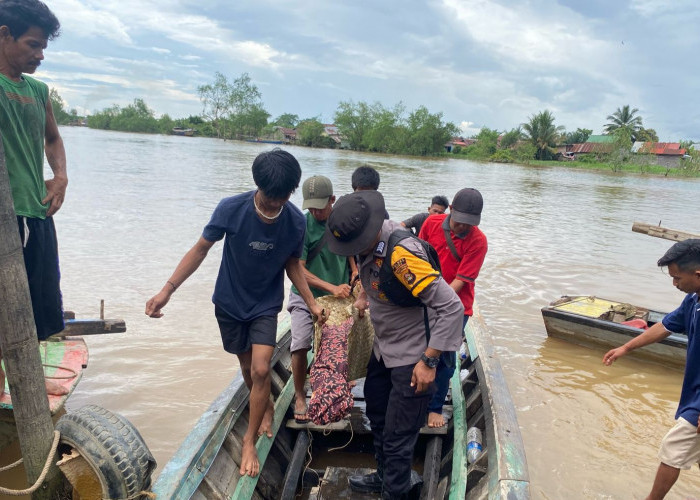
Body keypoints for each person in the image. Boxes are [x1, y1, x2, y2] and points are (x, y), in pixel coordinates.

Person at [145, 149, 326, 478]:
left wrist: (312, 303)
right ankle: (266, 405)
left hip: (264, 305)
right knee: (246, 367)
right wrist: (167, 290)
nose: (274, 205)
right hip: (229, 303)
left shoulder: (296, 221)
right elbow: (200, 249)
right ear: (258, 186)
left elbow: (292, 264)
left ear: (292, 192)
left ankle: (247, 442)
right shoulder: (231, 209)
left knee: (260, 370)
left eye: (282, 197)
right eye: (270, 198)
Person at [326, 190, 463, 499]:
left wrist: (429, 362)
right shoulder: (368, 245)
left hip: (414, 355)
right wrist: (364, 294)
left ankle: (395, 492)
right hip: (384, 349)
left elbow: (452, 307)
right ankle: (384, 477)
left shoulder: (403, 256)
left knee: (399, 437)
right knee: (377, 414)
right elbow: (374, 279)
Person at [0, 0, 67, 398]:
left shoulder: (38, 90)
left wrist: (60, 177)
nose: (40, 55)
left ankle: (28, 376)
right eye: (32, 44)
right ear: (4, 36)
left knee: (38, 301)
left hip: (35, 210)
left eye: (43, 47)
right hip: (4, 215)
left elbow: (53, 138)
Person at [603, 239, 700, 500]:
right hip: (694, 393)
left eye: (677, 277)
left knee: (673, 448)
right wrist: (626, 348)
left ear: (697, 273)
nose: (674, 284)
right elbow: (666, 326)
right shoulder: (694, 300)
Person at [287, 175, 357, 423]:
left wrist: (354, 273)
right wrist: (330, 286)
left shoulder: (343, 223)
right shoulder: (302, 226)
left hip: (338, 301)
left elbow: (351, 251)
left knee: (342, 347)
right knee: (301, 342)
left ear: (333, 200)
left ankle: (337, 387)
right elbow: (300, 270)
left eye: (321, 206)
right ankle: (299, 395)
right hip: (305, 296)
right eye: (312, 207)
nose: (316, 212)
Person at [419, 188, 487, 428]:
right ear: (450, 212)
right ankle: (415, 396)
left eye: (469, 224)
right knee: (419, 349)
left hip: (458, 306)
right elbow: (419, 260)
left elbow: (461, 280)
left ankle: (434, 407)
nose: (462, 228)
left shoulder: (478, 241)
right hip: (425, 298)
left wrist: (438, 301)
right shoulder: (431, 224)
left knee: (446, 358)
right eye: (459, 221)